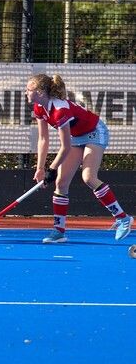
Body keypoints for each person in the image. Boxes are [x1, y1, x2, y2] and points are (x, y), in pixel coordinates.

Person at [26, 73, 132, 243]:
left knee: (89, 177)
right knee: (61, 183)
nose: (26, 93)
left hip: (95, 132)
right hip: (77, 137)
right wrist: (40, 168)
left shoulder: (60, 110)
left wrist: (51, 169)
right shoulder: (39, 107)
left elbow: (65, 146)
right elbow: (43, 139)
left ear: (39, 91)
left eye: (28, 89)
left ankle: (123, 219)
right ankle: (59, 231)